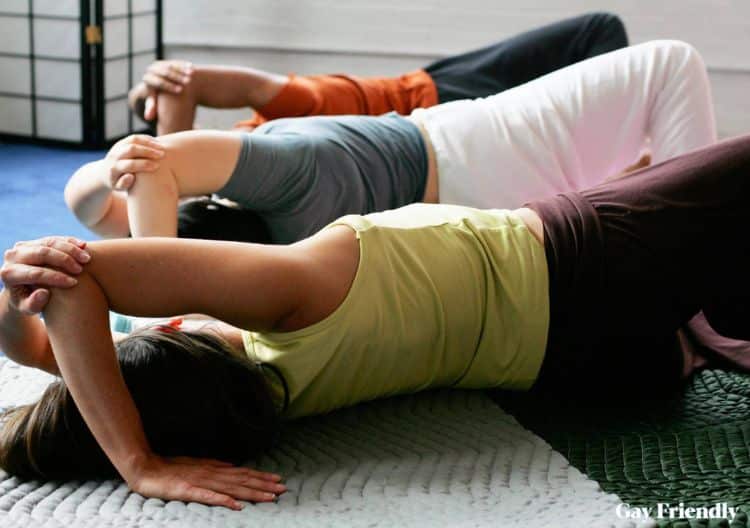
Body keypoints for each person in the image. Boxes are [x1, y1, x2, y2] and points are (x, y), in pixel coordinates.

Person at [3, 133, 750, 509]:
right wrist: (140, 466)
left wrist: (15, 302)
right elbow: (80, 283)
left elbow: (49, 347)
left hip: (586, 363)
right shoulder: (286, 299)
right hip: (588, 265)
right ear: (168, 331)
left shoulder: (265, 391)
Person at [66, 40, 716, 244]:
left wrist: (111, 171)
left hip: (484, 210)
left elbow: (91, 203)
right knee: (669, 62)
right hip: (472, 146)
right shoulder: (286, 170)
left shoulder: (274, 258)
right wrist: (157, 293)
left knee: (644, 182)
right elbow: (151, 170)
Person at [129, 13, 628, 136]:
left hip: (440, 90)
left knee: (596, 36)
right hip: (446, 119)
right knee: (596, 35)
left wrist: (143, 94)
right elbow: (187, 85)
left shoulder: (300, 106)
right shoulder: (279, 140)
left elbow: (186, 82)